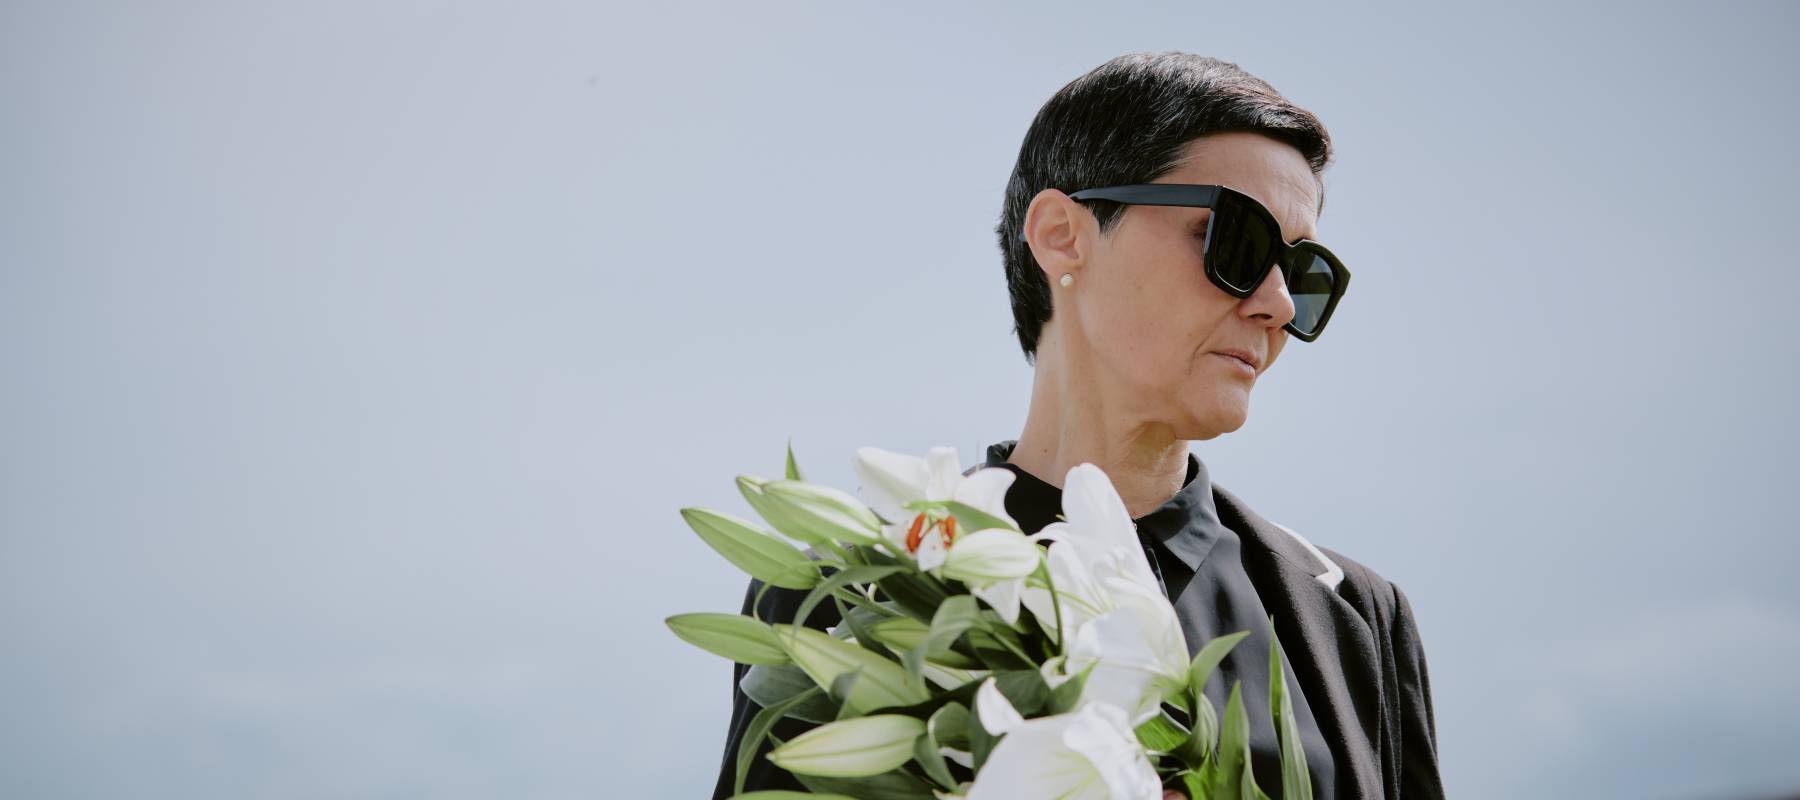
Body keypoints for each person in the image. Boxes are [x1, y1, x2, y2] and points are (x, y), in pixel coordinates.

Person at [711, 51, 1445, 799]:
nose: (1279, 304)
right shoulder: (854, 587)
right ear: (1063, 235)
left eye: (1304, 272)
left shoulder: (1353, 613)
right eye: (1236, 241)